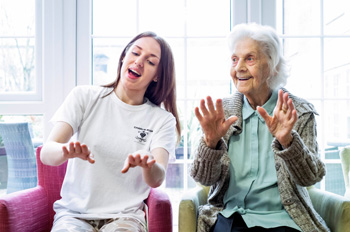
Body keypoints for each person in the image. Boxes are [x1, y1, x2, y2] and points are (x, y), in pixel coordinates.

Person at [191, 23, 329, 232]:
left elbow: (311, 177)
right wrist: (210, 143)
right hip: (231, 217)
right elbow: (203, 178)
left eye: (250, 58)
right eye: (235, 59)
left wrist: (288, 141)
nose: (239, 68)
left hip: (284, 219)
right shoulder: (222, 113)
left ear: (272, 66)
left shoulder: (299, 112)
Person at [41, 31, 181, 232]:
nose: (139, 62)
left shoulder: (162, 120)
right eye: (135, 53)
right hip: (73, 215)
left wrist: (148, 164)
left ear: (158, 75)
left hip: (126, 218)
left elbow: (157, 178)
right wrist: (65, 151)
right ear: (124, 56)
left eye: (150, 62)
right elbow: (47, 154)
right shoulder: (84, 97)